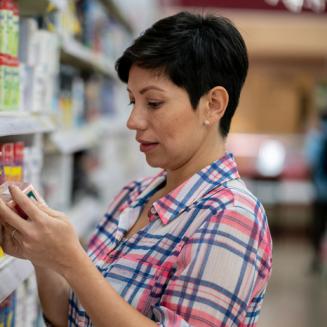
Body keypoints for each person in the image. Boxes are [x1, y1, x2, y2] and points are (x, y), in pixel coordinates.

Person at [0, 11, 272, 327]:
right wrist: (42, 253)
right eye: (132, 102)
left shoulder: (231, 217)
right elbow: (71, 317)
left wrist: (72, 261)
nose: (133, 121)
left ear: (213, 105)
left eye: (153, 103)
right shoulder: (134, 195)